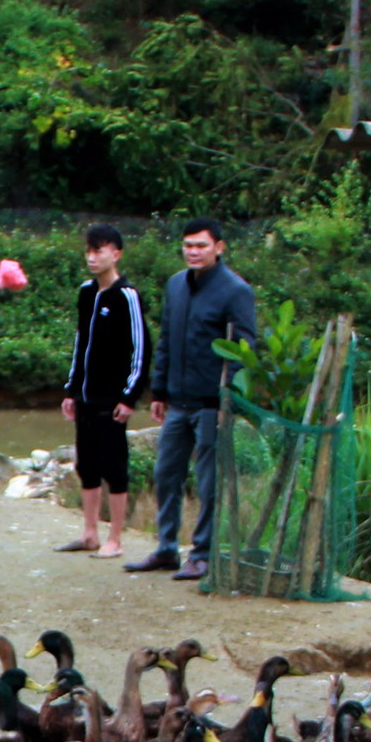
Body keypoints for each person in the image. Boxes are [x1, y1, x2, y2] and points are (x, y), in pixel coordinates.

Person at [125, 217, 257, 583]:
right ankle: (167, 548)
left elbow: (244, 350)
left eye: (201, 245)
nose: (193, 252)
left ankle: (201, 555)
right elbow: (167, 339)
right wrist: (159, 390)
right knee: (165, 473)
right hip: (177, 401)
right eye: (188, 245)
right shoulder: (176, 285)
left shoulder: (235, 291)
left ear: (219, 247)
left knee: (208, 481)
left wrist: (228, 399)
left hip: (211, 404)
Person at [57, 224, 144, 557]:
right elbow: (81, 343)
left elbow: (140, 348)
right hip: (85, 396)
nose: (93, 258)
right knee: (87, 464)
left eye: (100, 251)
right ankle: (90, 531)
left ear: (116, 254)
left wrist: (129, 397)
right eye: (89, 251)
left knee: (115, 466)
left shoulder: (127, 296)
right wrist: (71, 389)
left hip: (113, 399)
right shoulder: (86, 292)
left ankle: (116, 538)